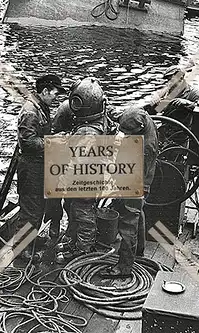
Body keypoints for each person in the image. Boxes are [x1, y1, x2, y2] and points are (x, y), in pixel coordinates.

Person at [55, 77, 116, 258]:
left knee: (83, 213)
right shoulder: (101, 120)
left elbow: (78, 162)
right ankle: (73, 240)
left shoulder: (88, 132)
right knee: (74, 208)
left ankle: (83, 249)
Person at [100, 107, 158, 278]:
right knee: (138, 214)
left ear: (138, 128)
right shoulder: (142, 117)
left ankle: (124, 267)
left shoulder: (146, 148)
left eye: (127, 132)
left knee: (129, 222)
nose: (124, 135)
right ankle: (138, 252)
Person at [16, 74, 66, 259]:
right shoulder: (30, 111)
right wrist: (54, 142)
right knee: (31, 209)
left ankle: (31, 240)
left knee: (37, 207)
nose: (56, 98)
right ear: (44, 91)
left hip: (39, 164)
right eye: (54, 94)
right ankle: (22, 249)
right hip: (31, 168)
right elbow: (28, 142)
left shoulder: (40, 107)